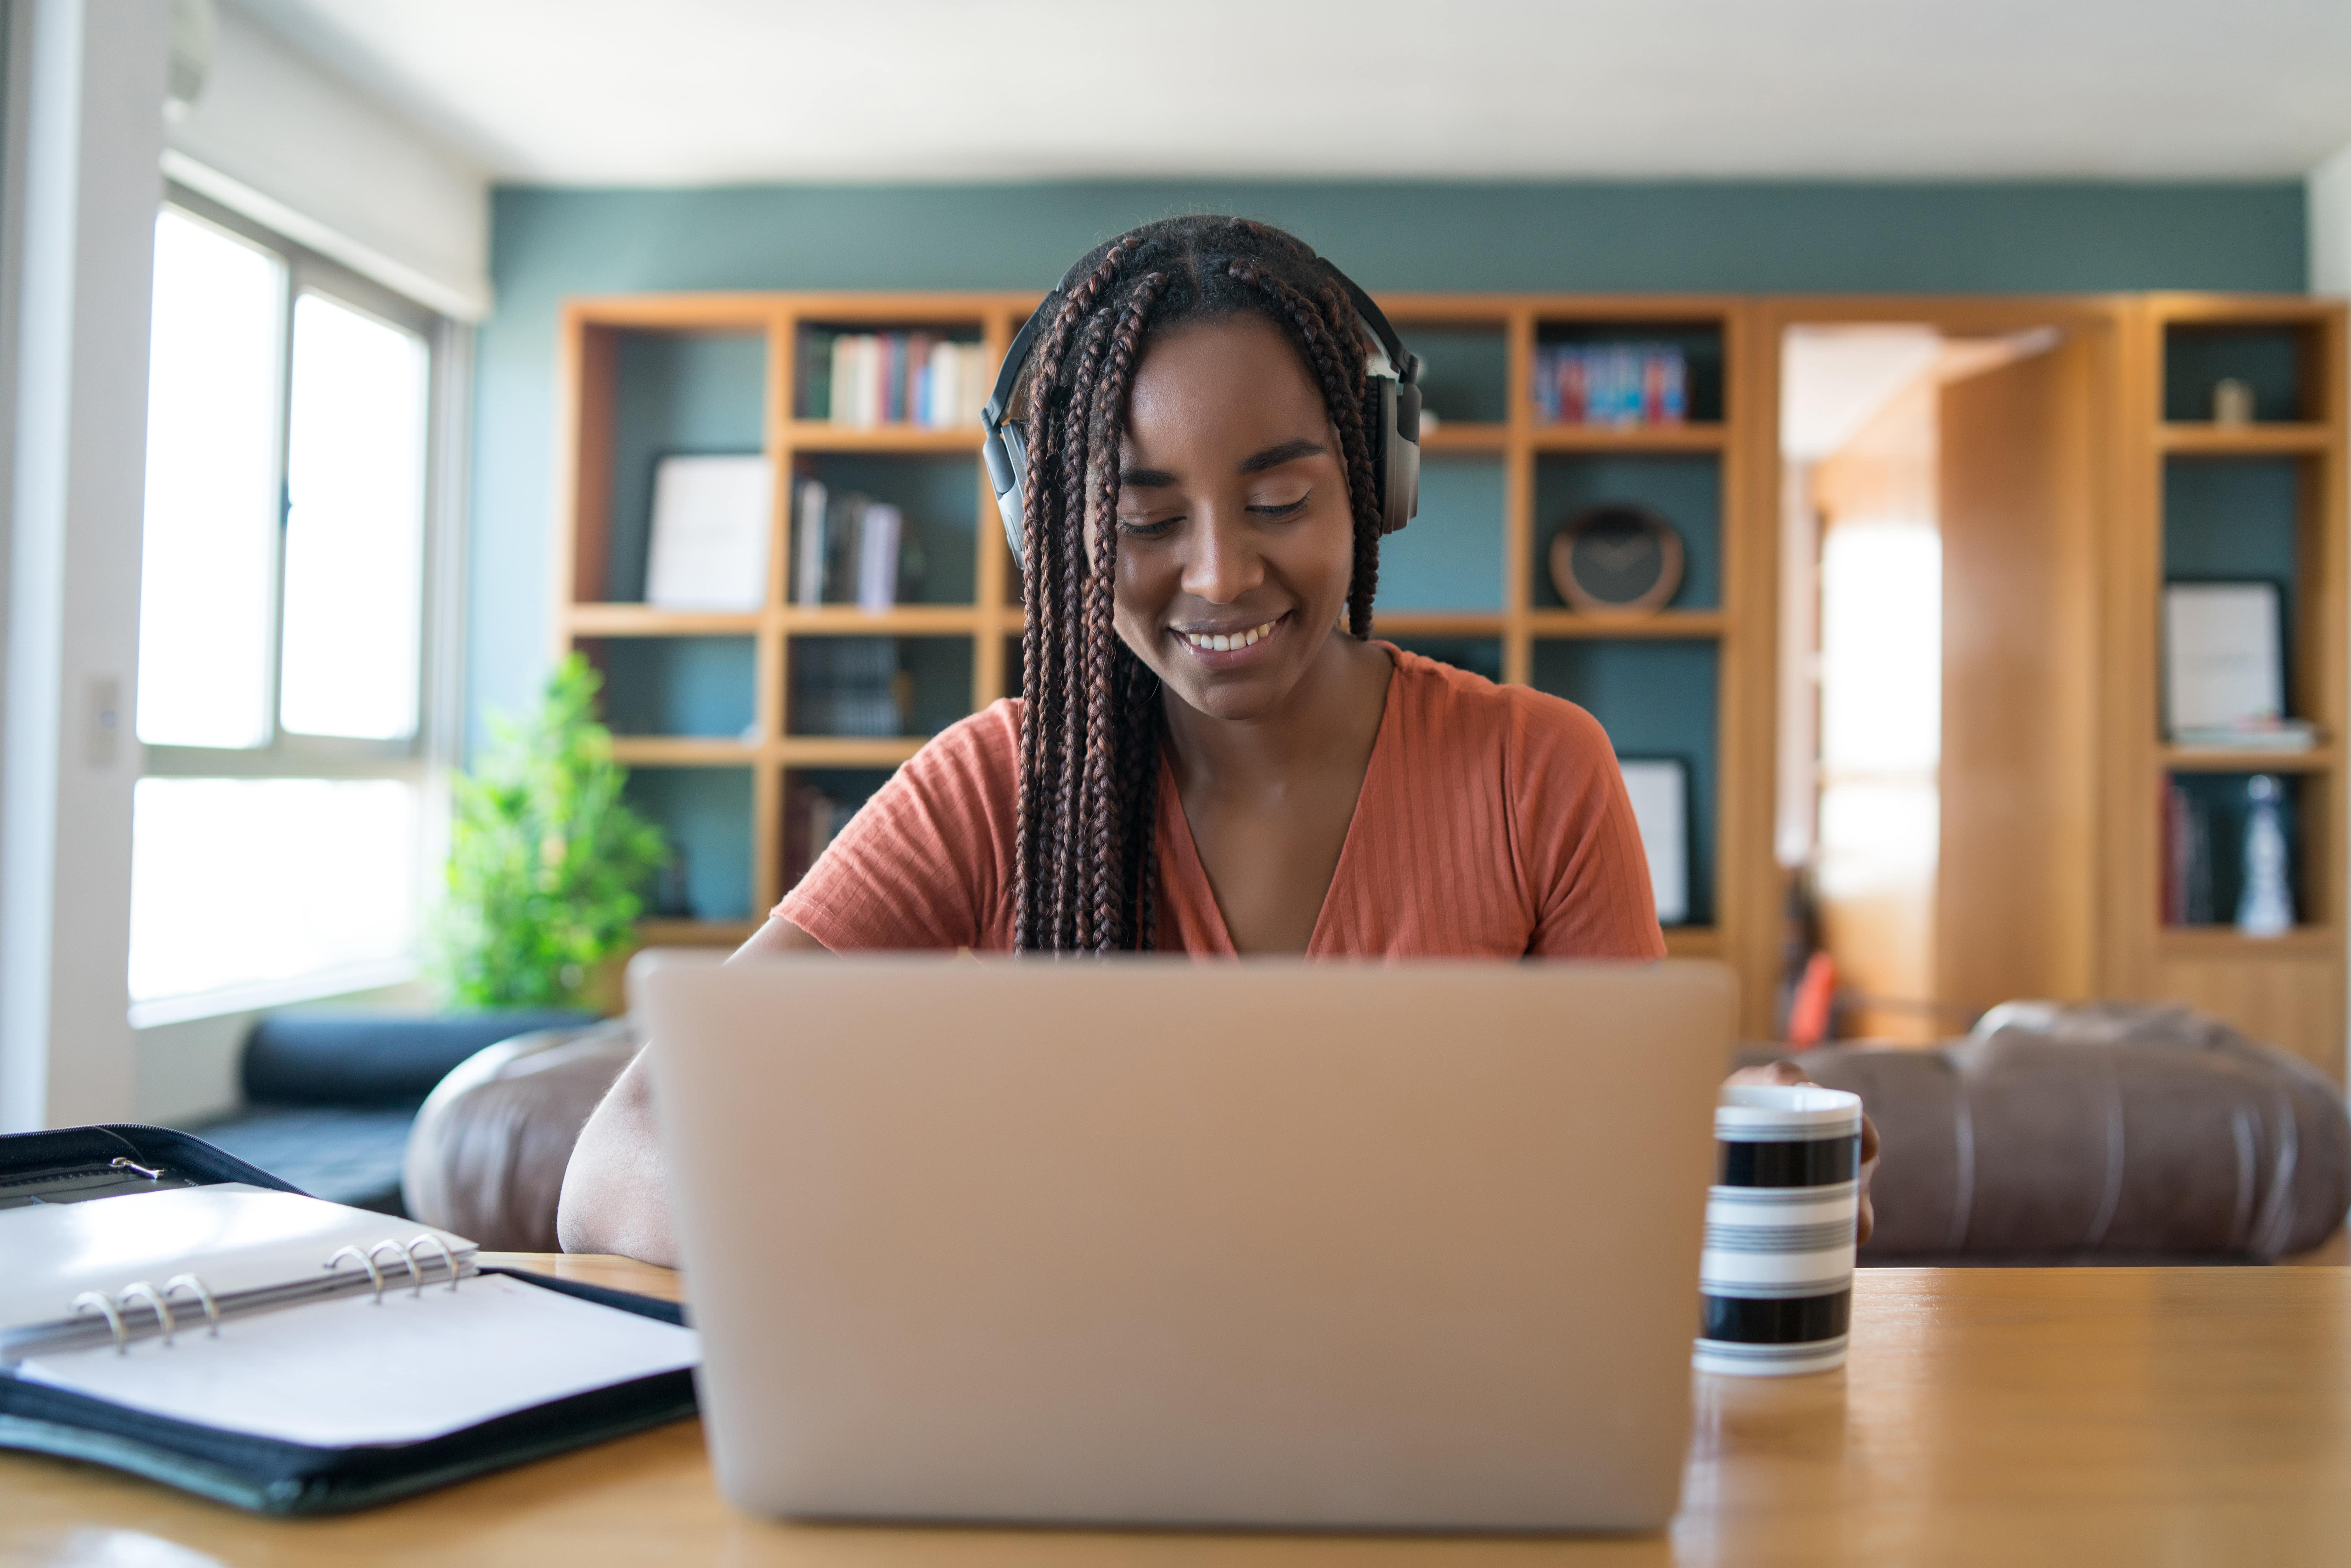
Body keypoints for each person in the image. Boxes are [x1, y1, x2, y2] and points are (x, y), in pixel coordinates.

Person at [558, 216, 1872, 1262]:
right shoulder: (991, 786)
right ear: (1055, 531)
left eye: (1281, 498)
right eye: (1144, 520)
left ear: (1376, 483)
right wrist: (923, 1243)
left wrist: (1729, 1192)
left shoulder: (1538, 770)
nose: (1219, 575)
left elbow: (1620, 1185)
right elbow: (620, 1156)